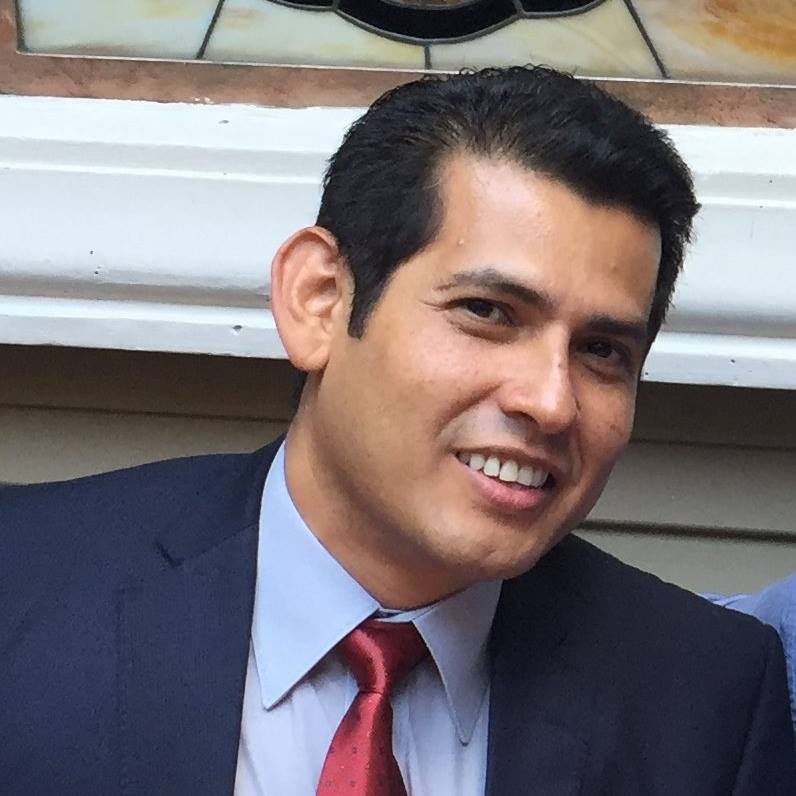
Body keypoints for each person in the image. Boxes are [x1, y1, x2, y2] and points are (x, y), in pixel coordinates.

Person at [2, 67, 794, 795]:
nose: (552, 402)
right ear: (320, 301)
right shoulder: (25, 582)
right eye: (487, 312)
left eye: (601, 351)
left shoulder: (706, 699)